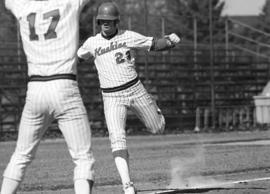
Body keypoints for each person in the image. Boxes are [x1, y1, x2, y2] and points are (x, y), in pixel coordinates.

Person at [77, 2, 181, 194]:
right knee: (117, 139)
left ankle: (156, 112)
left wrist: (169, 42)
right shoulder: (91, 43)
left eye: (109, 20)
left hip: (135, 90)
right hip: (111, 97)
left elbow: (154, 44)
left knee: (157, 128)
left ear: (116, 21)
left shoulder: (128, 36)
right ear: (98, 22)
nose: (105, 24)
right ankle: (128, 185)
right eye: (102, 21)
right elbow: (78, 58)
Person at [1, 0, 95, 194]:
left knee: (21, 155)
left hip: (35, 89)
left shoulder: (22, 6)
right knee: (82, 158)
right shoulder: (69, 2)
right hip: (64, 86)